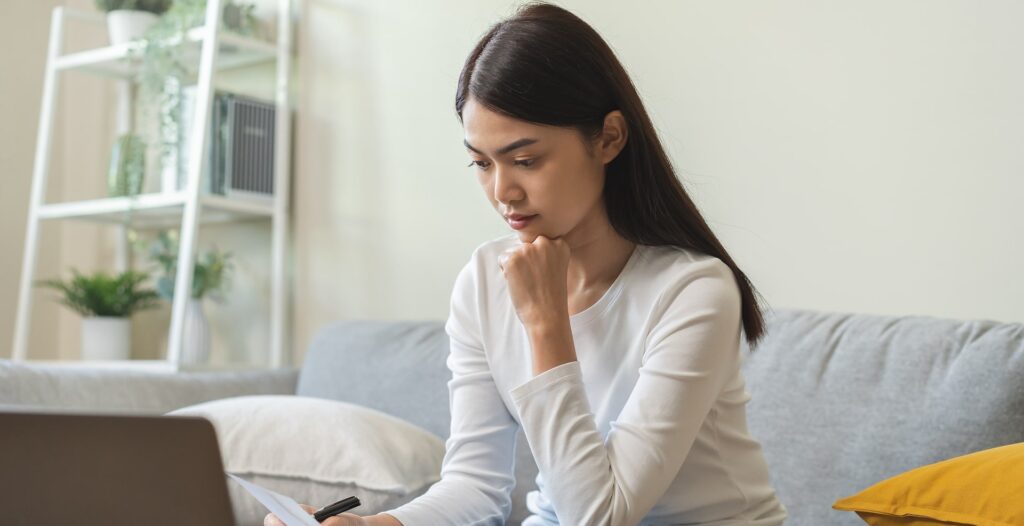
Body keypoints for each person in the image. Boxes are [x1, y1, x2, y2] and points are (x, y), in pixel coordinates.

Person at [267, 2, 787, 525]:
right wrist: (377, 525)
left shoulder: (694, 291)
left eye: (526, 160)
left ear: (608, 138)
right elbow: (475, 486)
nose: (502, 191)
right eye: (481, 162)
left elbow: (600, 516)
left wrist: (546, 325)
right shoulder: (483, 280)